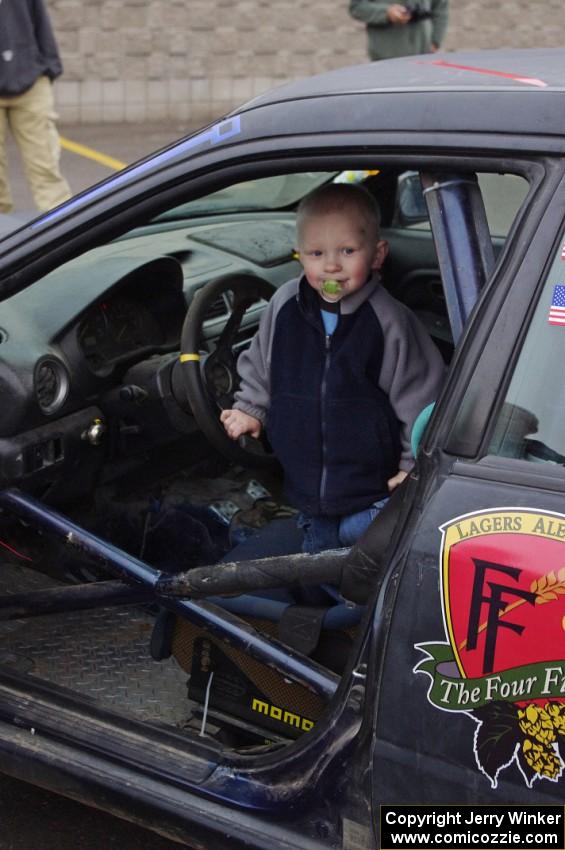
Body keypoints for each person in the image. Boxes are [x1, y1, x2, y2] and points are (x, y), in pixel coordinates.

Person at [221, 182, 445, 554]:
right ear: (299, 256)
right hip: (304, 481)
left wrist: (412, 465)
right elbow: (262, 362)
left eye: (347, 251)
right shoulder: (284, 304)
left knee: (358, 558)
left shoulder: (388, 320)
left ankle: (350, 599)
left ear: (377, 254)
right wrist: (250, 408)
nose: (331, 265)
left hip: (371, 481)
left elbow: (421, 398)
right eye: (316, 253)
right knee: (316, 551)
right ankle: (321, 589)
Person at [0, 0, 72, 213]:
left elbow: (40, 19)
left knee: (46, 169)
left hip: (31, 83)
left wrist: (50, 68)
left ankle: (64, 233)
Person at [348, 0, 449, 63]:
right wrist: (387, 12)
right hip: (387, 54)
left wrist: (436, 40)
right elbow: (357, 7)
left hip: (423, 53)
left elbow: (441, 7)